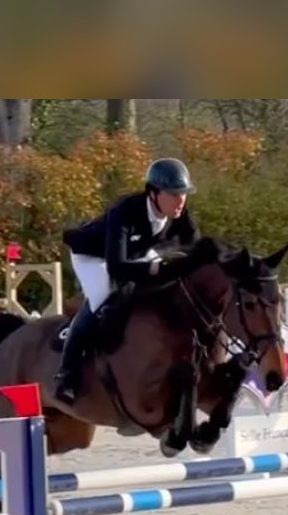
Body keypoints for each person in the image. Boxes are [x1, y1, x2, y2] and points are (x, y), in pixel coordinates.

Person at [54, 157, 200, 405]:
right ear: (153, 193)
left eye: (183, 194)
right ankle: (67, 375)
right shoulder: (125, 212)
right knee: (103, 297)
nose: (180, 201)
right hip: (95, 257)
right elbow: (117, 268)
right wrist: (155, 267)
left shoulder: (179, 214)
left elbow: (195, 248)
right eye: (174, 194)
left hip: (134, 255)